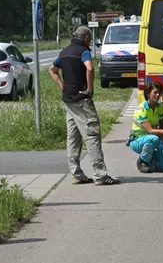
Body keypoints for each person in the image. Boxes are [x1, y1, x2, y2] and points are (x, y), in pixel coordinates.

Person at [49, 26, 121, 185]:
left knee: (73, 137)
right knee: (92, 134)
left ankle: (77, 174)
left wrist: (63, 86)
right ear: (86, 38)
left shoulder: (64, 52)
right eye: (89, 40)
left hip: (68, 100)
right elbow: (89, 67)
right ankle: (100, 175)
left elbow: (52, 70)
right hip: (82, 101)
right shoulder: (83, 51)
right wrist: (89, 89)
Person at [128, 82, 163, 173]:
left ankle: (153, 160)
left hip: (153, 139)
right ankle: (143, 161)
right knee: (153, 138)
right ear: (147, 94)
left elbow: (162, 126)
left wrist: (161, 143)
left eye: (159, 93)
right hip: (138, 140)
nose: (158, 95)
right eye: (155, 92)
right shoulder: (141, 109)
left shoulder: (160, 107)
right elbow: (150, 130)